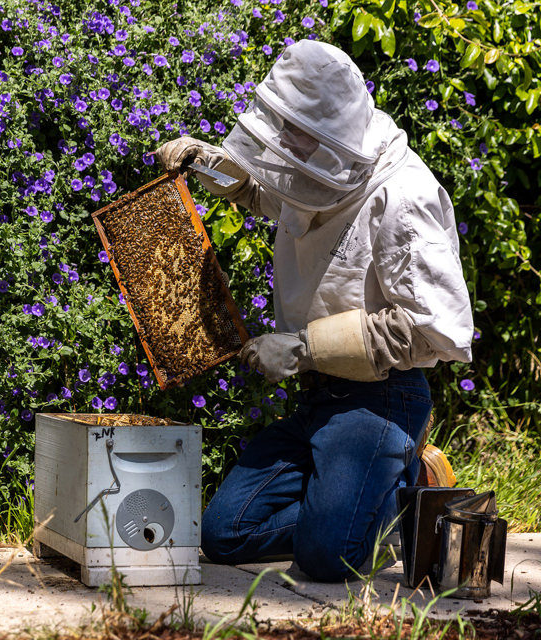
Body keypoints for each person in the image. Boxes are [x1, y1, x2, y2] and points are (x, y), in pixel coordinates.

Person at [154, 39, 473, 581]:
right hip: (321, 394)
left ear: (332, 127)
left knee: (328, 559)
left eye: (294, 131)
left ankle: (409, 488)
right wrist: (208, 162)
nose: (283, 141)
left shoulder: (403, 195)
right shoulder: (322, 161)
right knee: (224, 536)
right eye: (282, 126)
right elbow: (267, 191)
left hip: (382, 398)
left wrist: (303, 347)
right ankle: (357, 501)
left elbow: (433, 331)